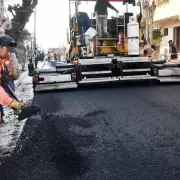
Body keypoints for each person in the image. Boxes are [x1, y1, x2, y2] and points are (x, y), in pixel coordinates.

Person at [0, 36, 24, 123]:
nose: (9, 53)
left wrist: (14, 70)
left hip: (5, 78)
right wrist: (12, 103)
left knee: (10, 93)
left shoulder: (3, 57)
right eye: (8, 50)